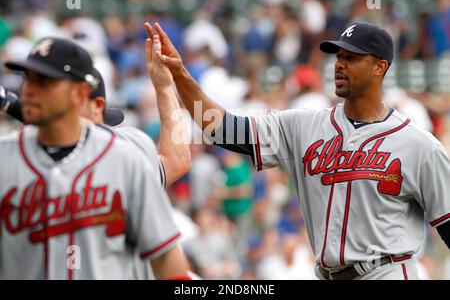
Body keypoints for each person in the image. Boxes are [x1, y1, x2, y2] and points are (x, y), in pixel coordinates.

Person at [146, 21, 450, 280]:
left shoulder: (418, 145)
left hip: (389, 272)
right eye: (339, 56)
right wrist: (181, 76)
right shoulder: (302, 125)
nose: (340, 63)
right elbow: (221, 128)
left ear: (380, 67)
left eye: (353, 57)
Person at [0, 37, 190, 279]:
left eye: (45, 81)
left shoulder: (126, 152)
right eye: (28, 80)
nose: (29, 91)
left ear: (81, 95)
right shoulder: (7, 155)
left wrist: (164, 89)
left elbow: (167, 259)